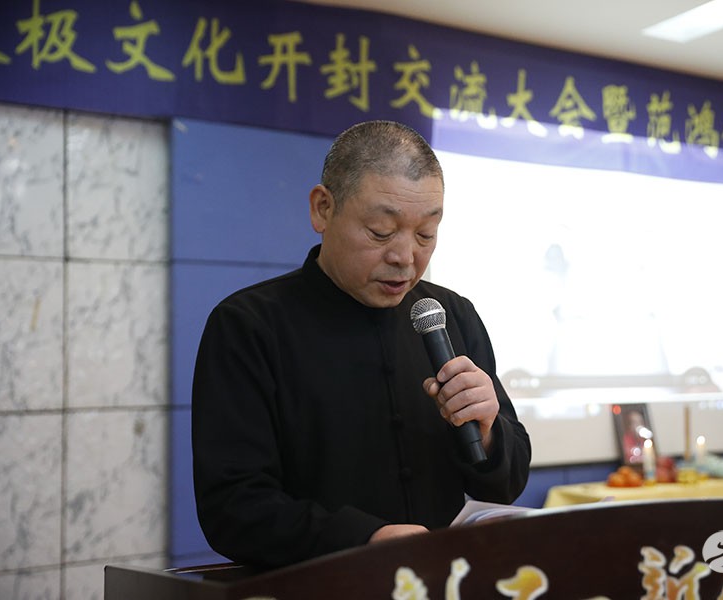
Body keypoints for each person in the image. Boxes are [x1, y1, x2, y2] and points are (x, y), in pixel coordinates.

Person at [191, 120, 532, 568]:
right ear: (323, 209)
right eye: (380, 231)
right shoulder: (249, 326)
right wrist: (363, 539)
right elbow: (232, 507)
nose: (405, 257)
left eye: (426, 234)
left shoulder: (451, 315)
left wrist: (487, 434)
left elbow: (506, 484)